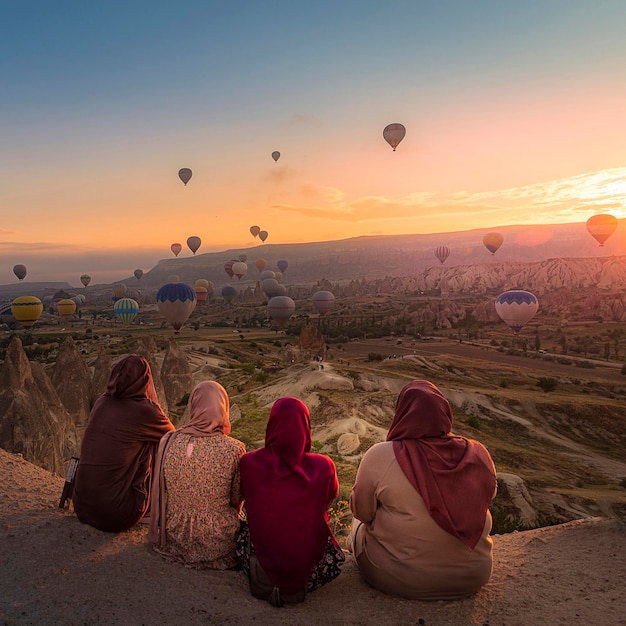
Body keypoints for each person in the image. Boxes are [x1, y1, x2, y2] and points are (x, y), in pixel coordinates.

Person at [348, 380, 497, 600]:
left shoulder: (381, 455)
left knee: (357, 524)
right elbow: (488, 496)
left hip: (401, 578)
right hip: (474, 576)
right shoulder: (478, 453)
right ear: (445, 413)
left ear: (402, 412)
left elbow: (362, 512)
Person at [238, 397, 344, 605]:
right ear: (305, 427)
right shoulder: (324, 466)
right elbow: (329, 499)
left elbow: (246, 499)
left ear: (272, 425)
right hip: (309, 570)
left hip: (259, 563)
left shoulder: (249, 463)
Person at [148, 381, 245, 569]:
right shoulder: (234, 449)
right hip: (217, 539)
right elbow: (236, 498)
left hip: (174, 535)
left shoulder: (169, 441)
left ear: (193, 405)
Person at [73, 355, 174, 532]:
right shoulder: (144, 410)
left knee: (144, 439)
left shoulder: (101, 401)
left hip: (82, 507)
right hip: (116, 514)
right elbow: (174, 439)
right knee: (158, 444)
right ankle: (151, 508)